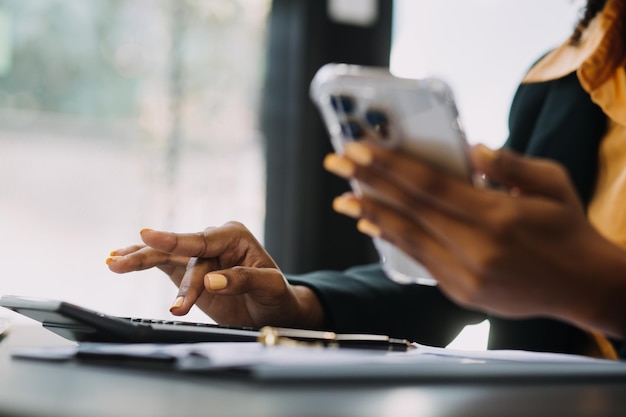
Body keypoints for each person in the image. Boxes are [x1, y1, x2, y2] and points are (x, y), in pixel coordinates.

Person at [107, 0, 625, 359]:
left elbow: (560, 279)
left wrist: (596, 290)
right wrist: (294, 305)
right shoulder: (564, 81)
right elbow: (468, 284)